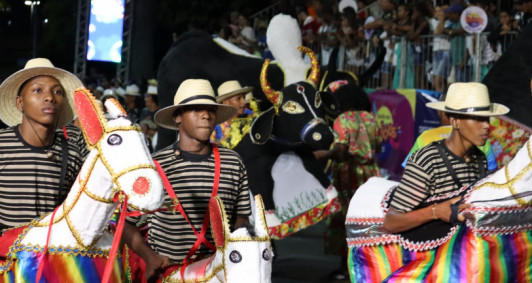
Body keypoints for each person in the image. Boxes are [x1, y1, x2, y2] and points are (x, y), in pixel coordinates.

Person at [123, 79, 252, 281]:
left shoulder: (233, 162)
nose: (206, 115)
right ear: (177, 117)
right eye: (196, 109)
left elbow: (242, 217)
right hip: (169, 274)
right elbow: (126, 223)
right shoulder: (155, 166)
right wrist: (150, 257)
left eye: (210, 110)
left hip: (218, 275)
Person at [383, 82, 509, 234]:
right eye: (477, 119)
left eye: (487, 119)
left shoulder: (480, 159)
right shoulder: (427, 160)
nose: (486, 126)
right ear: (455, 121)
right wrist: (435, 212)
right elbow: (391, 222)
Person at [0, 58, 89, 231]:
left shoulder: (72, 153)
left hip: (49, 253)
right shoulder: (2, 145)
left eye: (57, 92)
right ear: (20, 103)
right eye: (38, 90)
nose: (49, 97)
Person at [314, 80, 382, 281]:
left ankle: (346, 268)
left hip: (348, 177)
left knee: (345, 221)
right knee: (366, 222)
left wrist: (322, 155)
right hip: (370, 175)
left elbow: (341, 152)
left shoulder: (343, 120)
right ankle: (368, 267)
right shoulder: (372, 119)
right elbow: (376, 146)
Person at [210, 80, 254, 147]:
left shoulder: (249, 123)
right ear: (225, 102)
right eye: (238, 98)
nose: (244, 102)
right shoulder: (215, 128)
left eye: (244, 98)